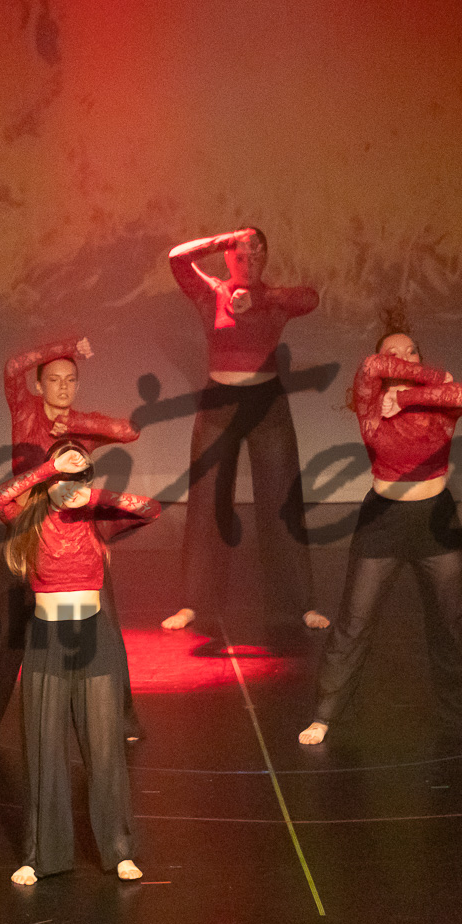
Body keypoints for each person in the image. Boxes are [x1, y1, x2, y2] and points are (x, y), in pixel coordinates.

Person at [299, 310, 462, 746]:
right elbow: (370, 367)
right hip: (383, 522)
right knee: (354, 623)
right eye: (394, 353)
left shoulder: (438, 402)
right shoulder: (370, 404)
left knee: (461, 621)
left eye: (412, 351)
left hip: (436, 521)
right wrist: (406, 388)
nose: (404, 358)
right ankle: (324, 716)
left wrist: (409, 397)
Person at [0, 335, 143, 746]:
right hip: (26, 532)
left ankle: (121, 722)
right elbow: (12, 367)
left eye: (70, 380)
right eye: (53, 379)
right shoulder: (26, 413)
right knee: (5, 632)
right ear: (39, 385)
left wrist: (77, 425)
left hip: (75, 535)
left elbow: (128, 431)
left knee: (105, 627)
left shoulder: (81, 423)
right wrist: (67, 343)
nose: (62, 387)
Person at [0, 440, 156, 885]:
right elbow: (1, 497)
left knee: (104, 750)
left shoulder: (95, 520)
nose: (70, 487)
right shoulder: (29, 519)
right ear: (48, 480)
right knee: (44, 748)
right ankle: (40, 856)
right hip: (47, 639)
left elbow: (150, 509)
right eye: (62, 479)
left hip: (93, 638)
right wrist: (49, 468)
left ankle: (119, 851)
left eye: (78, 478)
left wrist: (95, 495)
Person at [161, 227, 330, 643]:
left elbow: (311, 298)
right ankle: (193, 601)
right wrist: (224, 239)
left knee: (281, 500)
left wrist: (261, 299)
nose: (248, 261)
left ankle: (301, 603)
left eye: (256, 254)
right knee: (207, 502)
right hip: (219, 405)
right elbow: (177, 258)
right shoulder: (211, 293)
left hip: (266, 404)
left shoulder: (275, 299)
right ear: (227, 257)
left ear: (266, 258)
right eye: (240, 253)